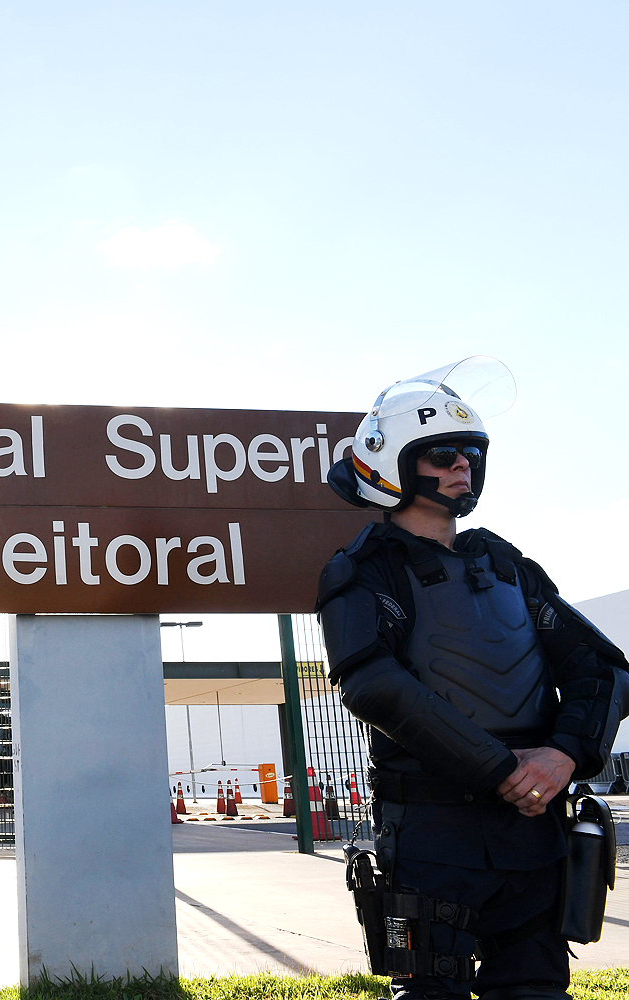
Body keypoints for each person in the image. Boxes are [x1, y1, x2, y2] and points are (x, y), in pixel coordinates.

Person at [318, 358, 629, 1000]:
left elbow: (602, 669)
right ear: (394, 463)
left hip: (535, 832)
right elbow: (372, 683)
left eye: (472, 453)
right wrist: (501, 769)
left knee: (537, 988)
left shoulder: (509, 566)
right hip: (433, 834)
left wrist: (563, 756)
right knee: (431, 992)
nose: (464, 465)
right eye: (443, 454)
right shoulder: (364, 570)